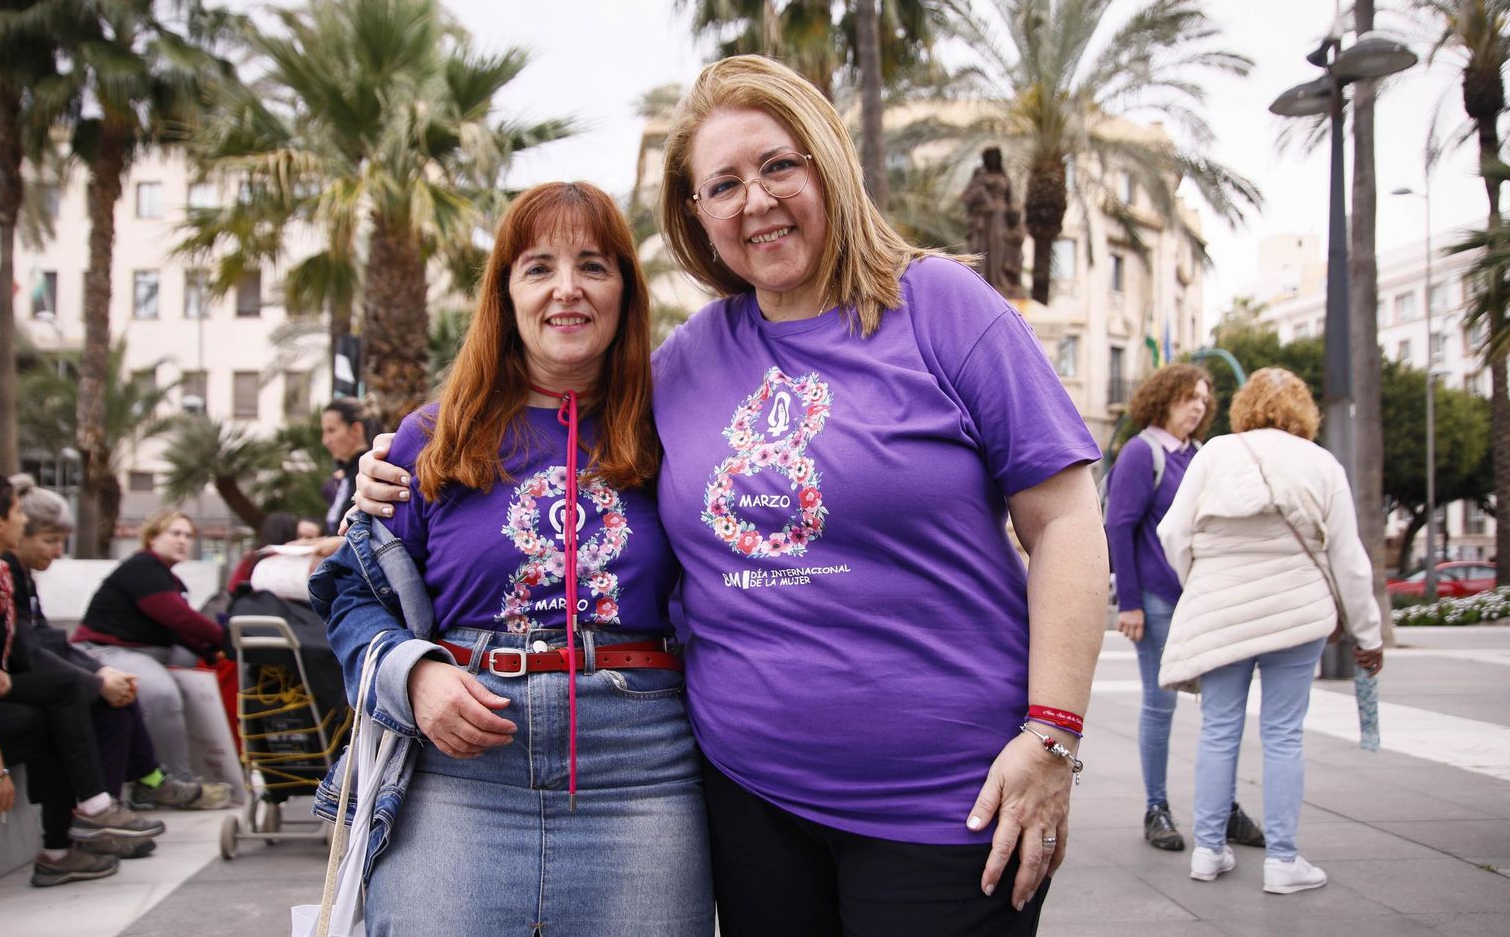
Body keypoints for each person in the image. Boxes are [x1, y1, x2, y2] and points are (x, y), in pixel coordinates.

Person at [358, 55, 1109, 934]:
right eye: (722, 185)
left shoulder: (943, 306)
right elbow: (553, 422)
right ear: (697, 216)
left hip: (949, 803)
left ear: (828, 162)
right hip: (750, 807)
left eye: (778, 166)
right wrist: (404, 457)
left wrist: (1051, 737)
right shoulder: (686, 362)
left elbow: (1063, 521)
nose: (755, 201)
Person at [313, 181, 712, 936]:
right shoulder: (430, 439)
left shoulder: (678, 432)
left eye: (594, 266)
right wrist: (415, 675)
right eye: (538, 267)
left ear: (625, 290)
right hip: (459, 773)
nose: (568, 289)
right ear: (505, 293)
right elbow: (348, 593)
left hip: (643, 777)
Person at [1157, 368, 1385, 894]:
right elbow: (1349, 560)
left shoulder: (1215, 452)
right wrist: (1367, 636)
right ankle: (1283, 861)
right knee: (1283, 734)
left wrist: (1201, 581)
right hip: (1295, 611)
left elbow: (1173, 531)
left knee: (1218, 730)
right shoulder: (1322, 463)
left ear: (1246, 406)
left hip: (1220, 610)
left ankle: (1209, 852)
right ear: (1304, 411)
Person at [0, 462, 162, 887]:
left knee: (65, 694)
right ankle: (82, 819)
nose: (23, 519)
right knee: (60, 704)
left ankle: (72, 832)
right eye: (17, 513)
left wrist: (0, 675)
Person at [1104, 365, 1264, 853]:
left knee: (1222, 707)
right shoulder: (1142, 452)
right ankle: (1157, 808)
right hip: (1155, 602)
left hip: (1204, 600)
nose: (1197, 405)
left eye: (1203, 398)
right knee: (1161, 705)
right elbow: (1119, 527)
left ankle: (1224, 807)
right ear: (1163, 399)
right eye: (1187, 397)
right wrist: (1128, 603)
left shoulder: (1202, 456)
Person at [8, 479, 208, 845]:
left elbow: (41, 639)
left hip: (93, 658)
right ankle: (104, 809)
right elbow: (26, 648)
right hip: (94, 654)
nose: (56, 552)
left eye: (187, 534)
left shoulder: (22, 575)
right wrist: (96, 679)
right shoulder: (141, 569)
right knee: (117, 692)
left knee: (116, 694)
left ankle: (116, 803)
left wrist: (99, 677)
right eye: (50, 541)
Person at [71, 509, 232, 805]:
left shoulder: (165, 576)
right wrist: (226, 639)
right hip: (103, 652)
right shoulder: (143, 568)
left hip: (139, 651)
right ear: (152, 537)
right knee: (161, 694)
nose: (182, 540)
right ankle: (176, 783)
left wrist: (211, 651)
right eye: (175, 533)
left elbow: (175, 630)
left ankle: (168, 776)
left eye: (187, 535)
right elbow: (179, 618)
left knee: (185, 682)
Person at [320, 398, 371, 536]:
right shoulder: (347, 474)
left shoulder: (369, 472)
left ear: (355, 429)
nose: (325, 441)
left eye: (331, 430)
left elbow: (367, 533)